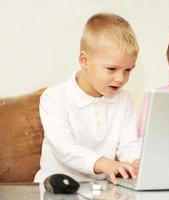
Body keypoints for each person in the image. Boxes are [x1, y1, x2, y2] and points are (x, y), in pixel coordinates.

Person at [34, 13, 141, 185]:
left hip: (101, 189)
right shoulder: (54, 97)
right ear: (84, 61)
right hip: (55, 187)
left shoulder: (124, 99)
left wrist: (136, 161)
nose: (121, 78)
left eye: (128, 70)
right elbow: (64, 148)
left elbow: (128, 145)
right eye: (111, 68)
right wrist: (103, 163)